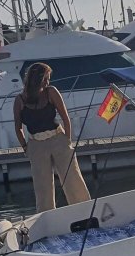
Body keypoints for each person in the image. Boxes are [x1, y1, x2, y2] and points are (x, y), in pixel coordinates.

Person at [13, 62, 91, 213]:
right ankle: (47, 217)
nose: (48, 81)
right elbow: (18, 127)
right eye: (46, 78)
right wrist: (25, 147)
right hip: (36, 144)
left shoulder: (51, 92)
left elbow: (65, 117)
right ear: (37, 79)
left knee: (72, 179)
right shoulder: (20, 100)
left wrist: (67, 140)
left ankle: (84, 211)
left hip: (58, 139)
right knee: (42, 186)